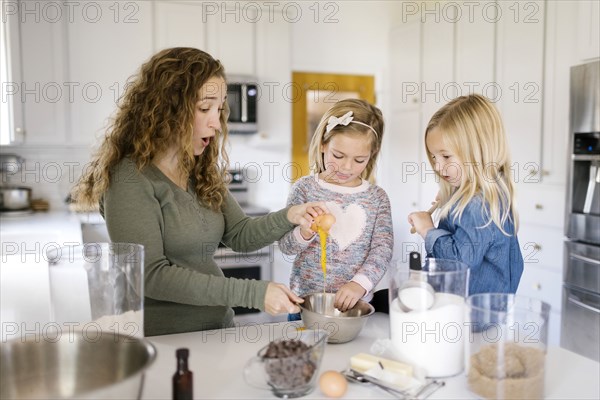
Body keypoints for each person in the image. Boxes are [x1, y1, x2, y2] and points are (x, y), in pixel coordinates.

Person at [73, 47, 328, 336]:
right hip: (168, 341)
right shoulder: (129, 180)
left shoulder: (200, 170)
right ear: (166, 108)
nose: (216, 123)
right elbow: (152, 276)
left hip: (219, 330)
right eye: (204, 109)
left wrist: (291, 216)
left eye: (219, 110)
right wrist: (253, 294)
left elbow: (241, 235)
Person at [278, 99, 394, 315]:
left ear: (373, 153)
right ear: (323, 144)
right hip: (305, 304)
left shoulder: (377, 198)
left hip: (355, 306)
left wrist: (359, 284)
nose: (347, 167)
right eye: (338, 156)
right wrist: (304, 232)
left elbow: (382, 249)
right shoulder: (304, 189)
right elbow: (285, 246)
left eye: (359, 159)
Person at [408, 94, 524, 295]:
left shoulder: (477, 204)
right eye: (434, 157)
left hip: (469, 314)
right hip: (488, 309)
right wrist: (453, 198)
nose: (437, 166)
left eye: (446, 156)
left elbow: (458, 262)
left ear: (478, 150)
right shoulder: (493, 193)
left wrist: (427, 230)